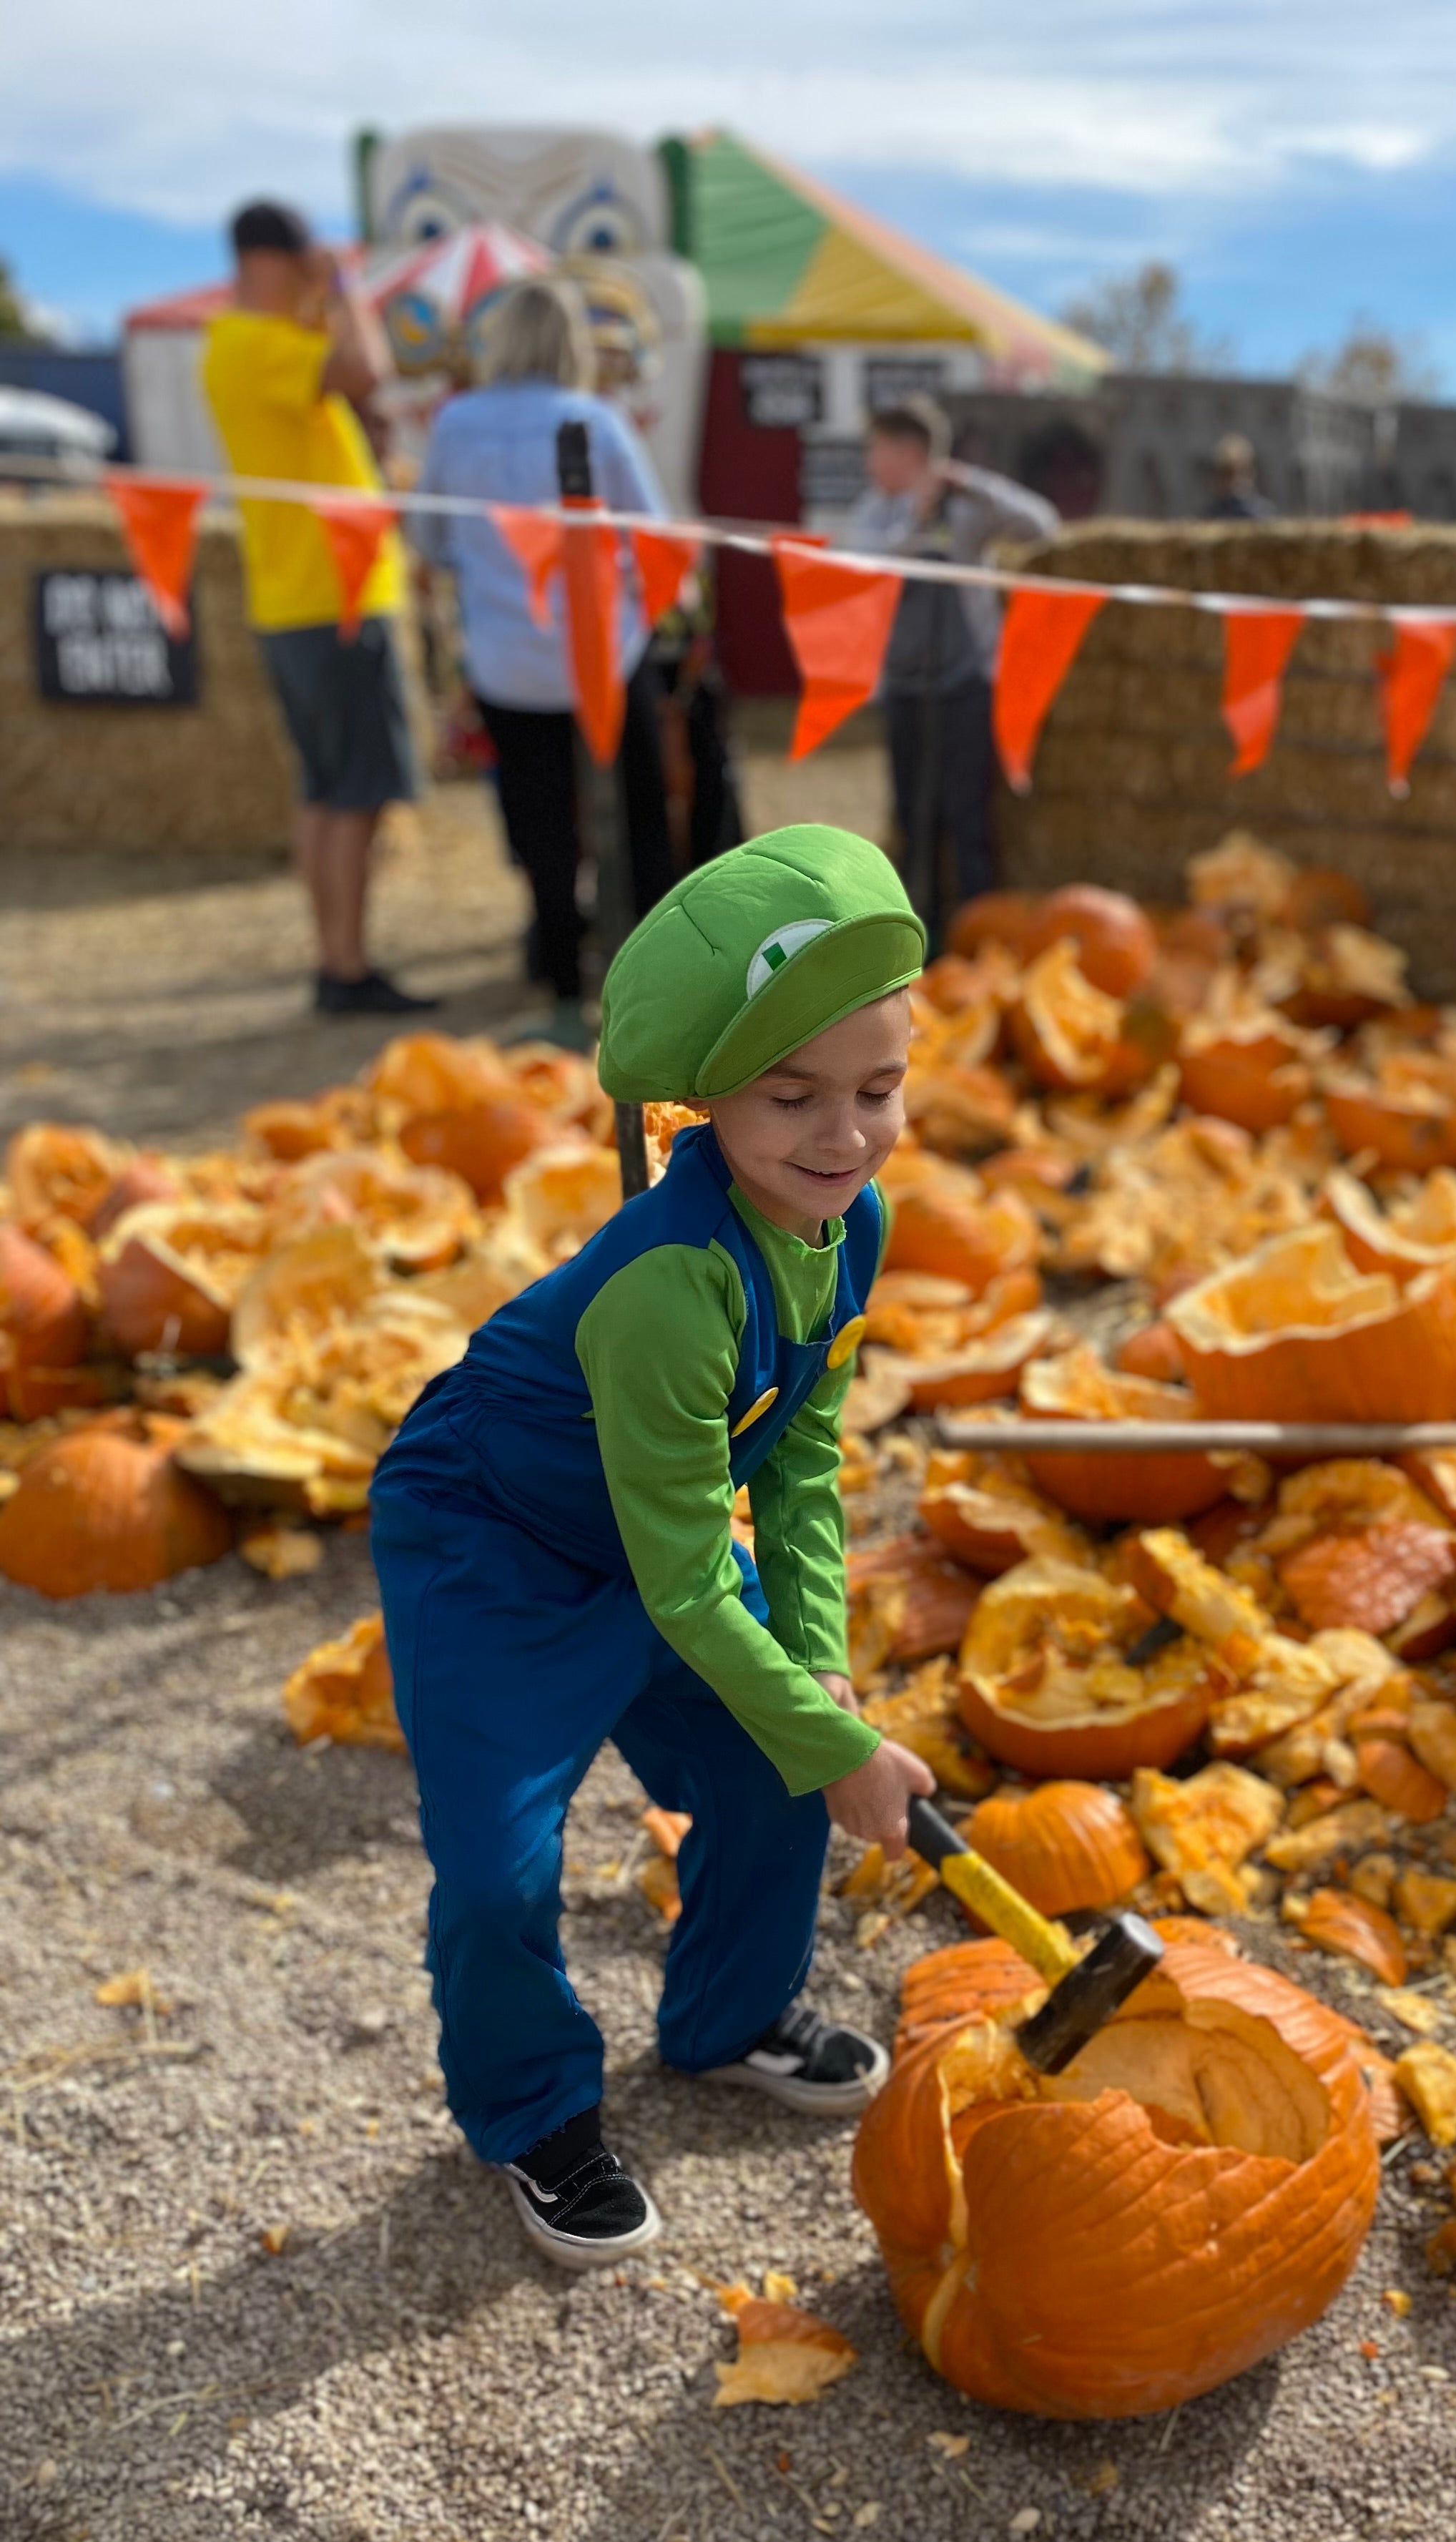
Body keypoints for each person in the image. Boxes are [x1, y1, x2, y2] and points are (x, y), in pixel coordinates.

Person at [368, 825, 936, 2269]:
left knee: (771, 1769)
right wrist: (827, 1731)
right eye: (791, 1098)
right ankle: (534, 2114)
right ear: (706, 1108)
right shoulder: (671, 1289)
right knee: (498, 1876)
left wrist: (819, 1678)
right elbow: (691, 1573)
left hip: (650, 1530)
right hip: (495, 1541)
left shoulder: (849, 1226)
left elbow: (800, 1463)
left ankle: (728, 2015)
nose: (842, 1135)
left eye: (877, 1091)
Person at [409, 278, 678, 1049]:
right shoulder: (595, 419)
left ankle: (563, 989)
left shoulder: (455, 424)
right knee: (637, 819)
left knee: (542, 829)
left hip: (505, 660)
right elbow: (650, 538)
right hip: (603, 655)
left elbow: (428, 541)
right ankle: (659, 987)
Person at [201, 200, 432, 1017]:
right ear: (280, 263)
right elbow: (368, 368)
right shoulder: (257, 343)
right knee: (356, 793)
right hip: (332, 595)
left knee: (326, 788)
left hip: (299, 595)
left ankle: (340, 959)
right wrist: (346, 290)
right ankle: (346, 964)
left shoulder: (247, 346)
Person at [840, 396, 1056, 943]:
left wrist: (975, 485)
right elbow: (866, 566)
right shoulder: (874, 510)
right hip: (906, 688)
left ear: (909, 452)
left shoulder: (965, 506)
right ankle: (917, 935)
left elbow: (1044, 527)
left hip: (964, 685)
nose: (870, 465)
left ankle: (982, 939)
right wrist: (915, 522)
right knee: (912, 819)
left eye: (877, 451)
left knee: (967, 817)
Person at [1202, 433, 1275, 522]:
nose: (1234, 482)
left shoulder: (1261, 514)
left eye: (1241, 473)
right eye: (1226, 475)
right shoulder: (1213, 514)